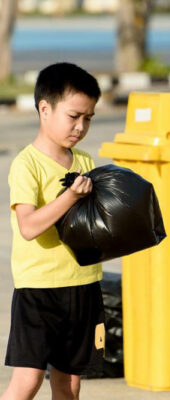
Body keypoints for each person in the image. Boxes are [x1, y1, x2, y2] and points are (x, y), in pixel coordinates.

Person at [1, 62, 104, 400]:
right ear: (45, 108)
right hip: (40, 288)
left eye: (88, 118)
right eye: (73, 116)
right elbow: (29, 227)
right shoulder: (26, 165)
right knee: (28, 381)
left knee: (69, 384)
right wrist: (70, 195)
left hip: (83, 283)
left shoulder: (85, 162)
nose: (81, 126)